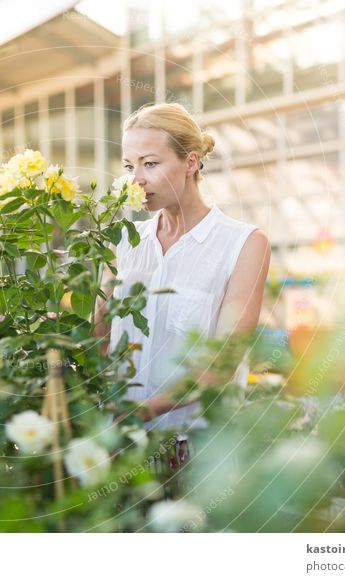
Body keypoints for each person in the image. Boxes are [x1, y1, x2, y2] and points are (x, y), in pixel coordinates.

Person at [94, 103, 271, 432]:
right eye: (129, 166)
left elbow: (225, 360)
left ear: (190, 161)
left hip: (198, 452)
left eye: (150, 164)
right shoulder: (124, 243)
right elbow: (99, 339)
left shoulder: (244, 244)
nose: (136, 180)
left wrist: (144, 411)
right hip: (120, 445)